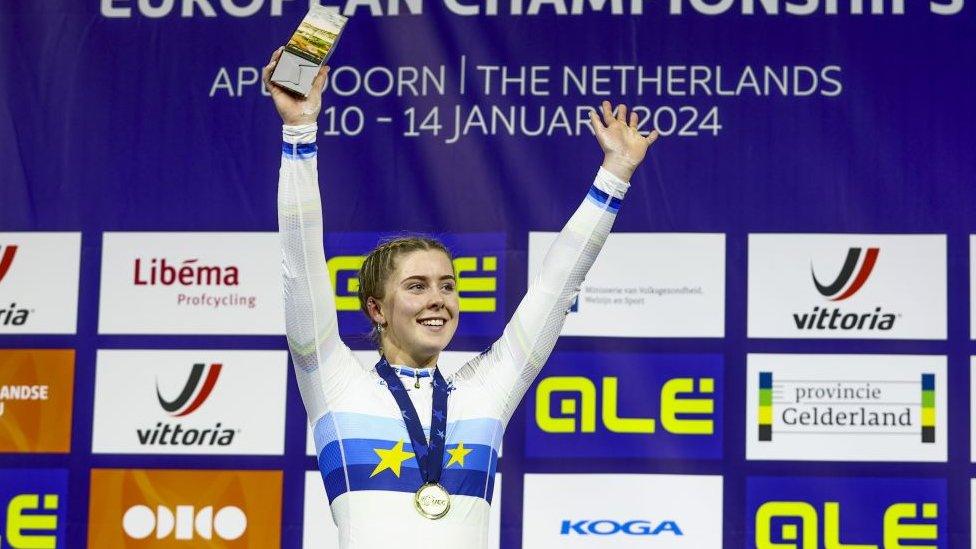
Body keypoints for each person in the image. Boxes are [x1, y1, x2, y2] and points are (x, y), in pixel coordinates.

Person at [264, 46, 659, 549]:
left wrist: (615, 173)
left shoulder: (485, 391)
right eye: (416, 286)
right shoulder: (332, 381)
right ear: (377, 310)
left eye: (447, 286)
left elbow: (557, 288)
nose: (438, 300)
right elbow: (300, 266)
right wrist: (299, 131)